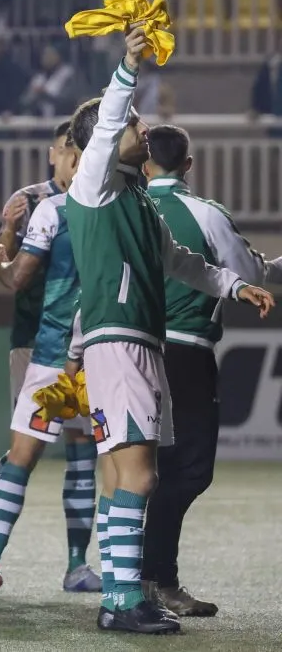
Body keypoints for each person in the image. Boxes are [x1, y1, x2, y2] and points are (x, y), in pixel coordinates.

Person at [64, 27, 274, 634]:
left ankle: (123, 594)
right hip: (120, 341)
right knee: (142, 474)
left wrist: (235, 286)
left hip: (140, 342)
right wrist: (128, 65)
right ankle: (123, 600)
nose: (142, 127)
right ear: (104, 141)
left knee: (127, 474)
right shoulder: (94, 184)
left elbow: (182, 262)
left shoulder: (136, 198)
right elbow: (108, 123)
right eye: (134, 122)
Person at [140, 124, 282, 617]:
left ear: (144, 165)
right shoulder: (204, 212)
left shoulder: (127, 207)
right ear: (189, 165)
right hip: (185, 352)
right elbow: (249, 272)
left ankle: (130, 580)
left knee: (139, 469)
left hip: (131, 349)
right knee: (189, 470)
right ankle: (155, 579)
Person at [0, 134, 99, 595]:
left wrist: (0, 266)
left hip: (56, 350)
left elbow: (14, 275)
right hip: (53, 348)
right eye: (64, 147)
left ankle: (54, 563)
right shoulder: (44, 201)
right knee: (50, 453)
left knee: (54, 453)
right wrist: (6, 240)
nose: (68, 155)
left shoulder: (60, 207)